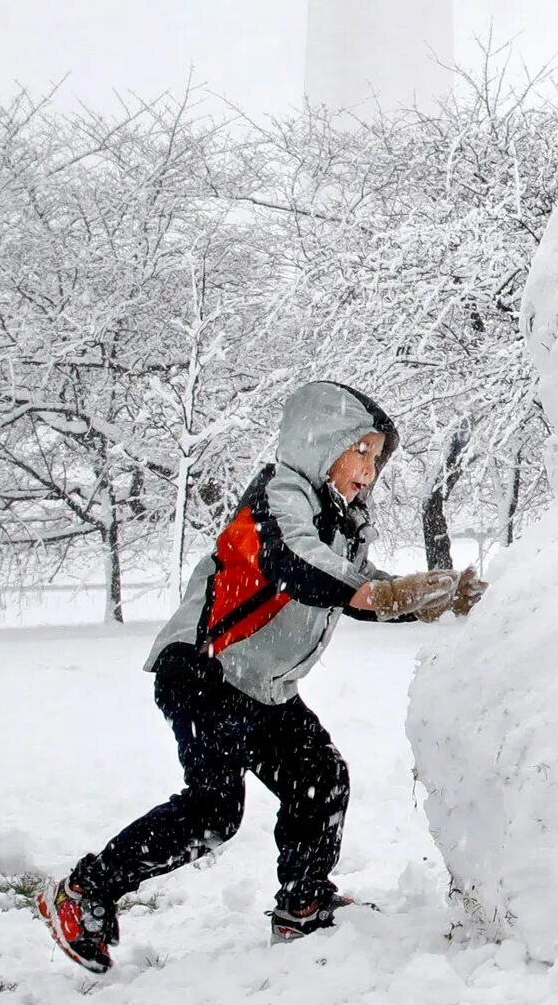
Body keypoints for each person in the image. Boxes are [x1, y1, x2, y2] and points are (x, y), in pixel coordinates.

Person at [35, 380, 481, 971]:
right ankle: (84, 893)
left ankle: (303, 908)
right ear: (322, 442)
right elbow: (295, 563)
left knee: (319, 776)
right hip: (204, 669)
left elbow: (351, 585)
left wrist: (432, 597)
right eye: (361, 452)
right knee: (214, 810)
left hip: (262, 685)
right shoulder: (279, 494)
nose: (370, 471)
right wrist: (381, 592)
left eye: (378, 457)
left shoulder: (342, 520)